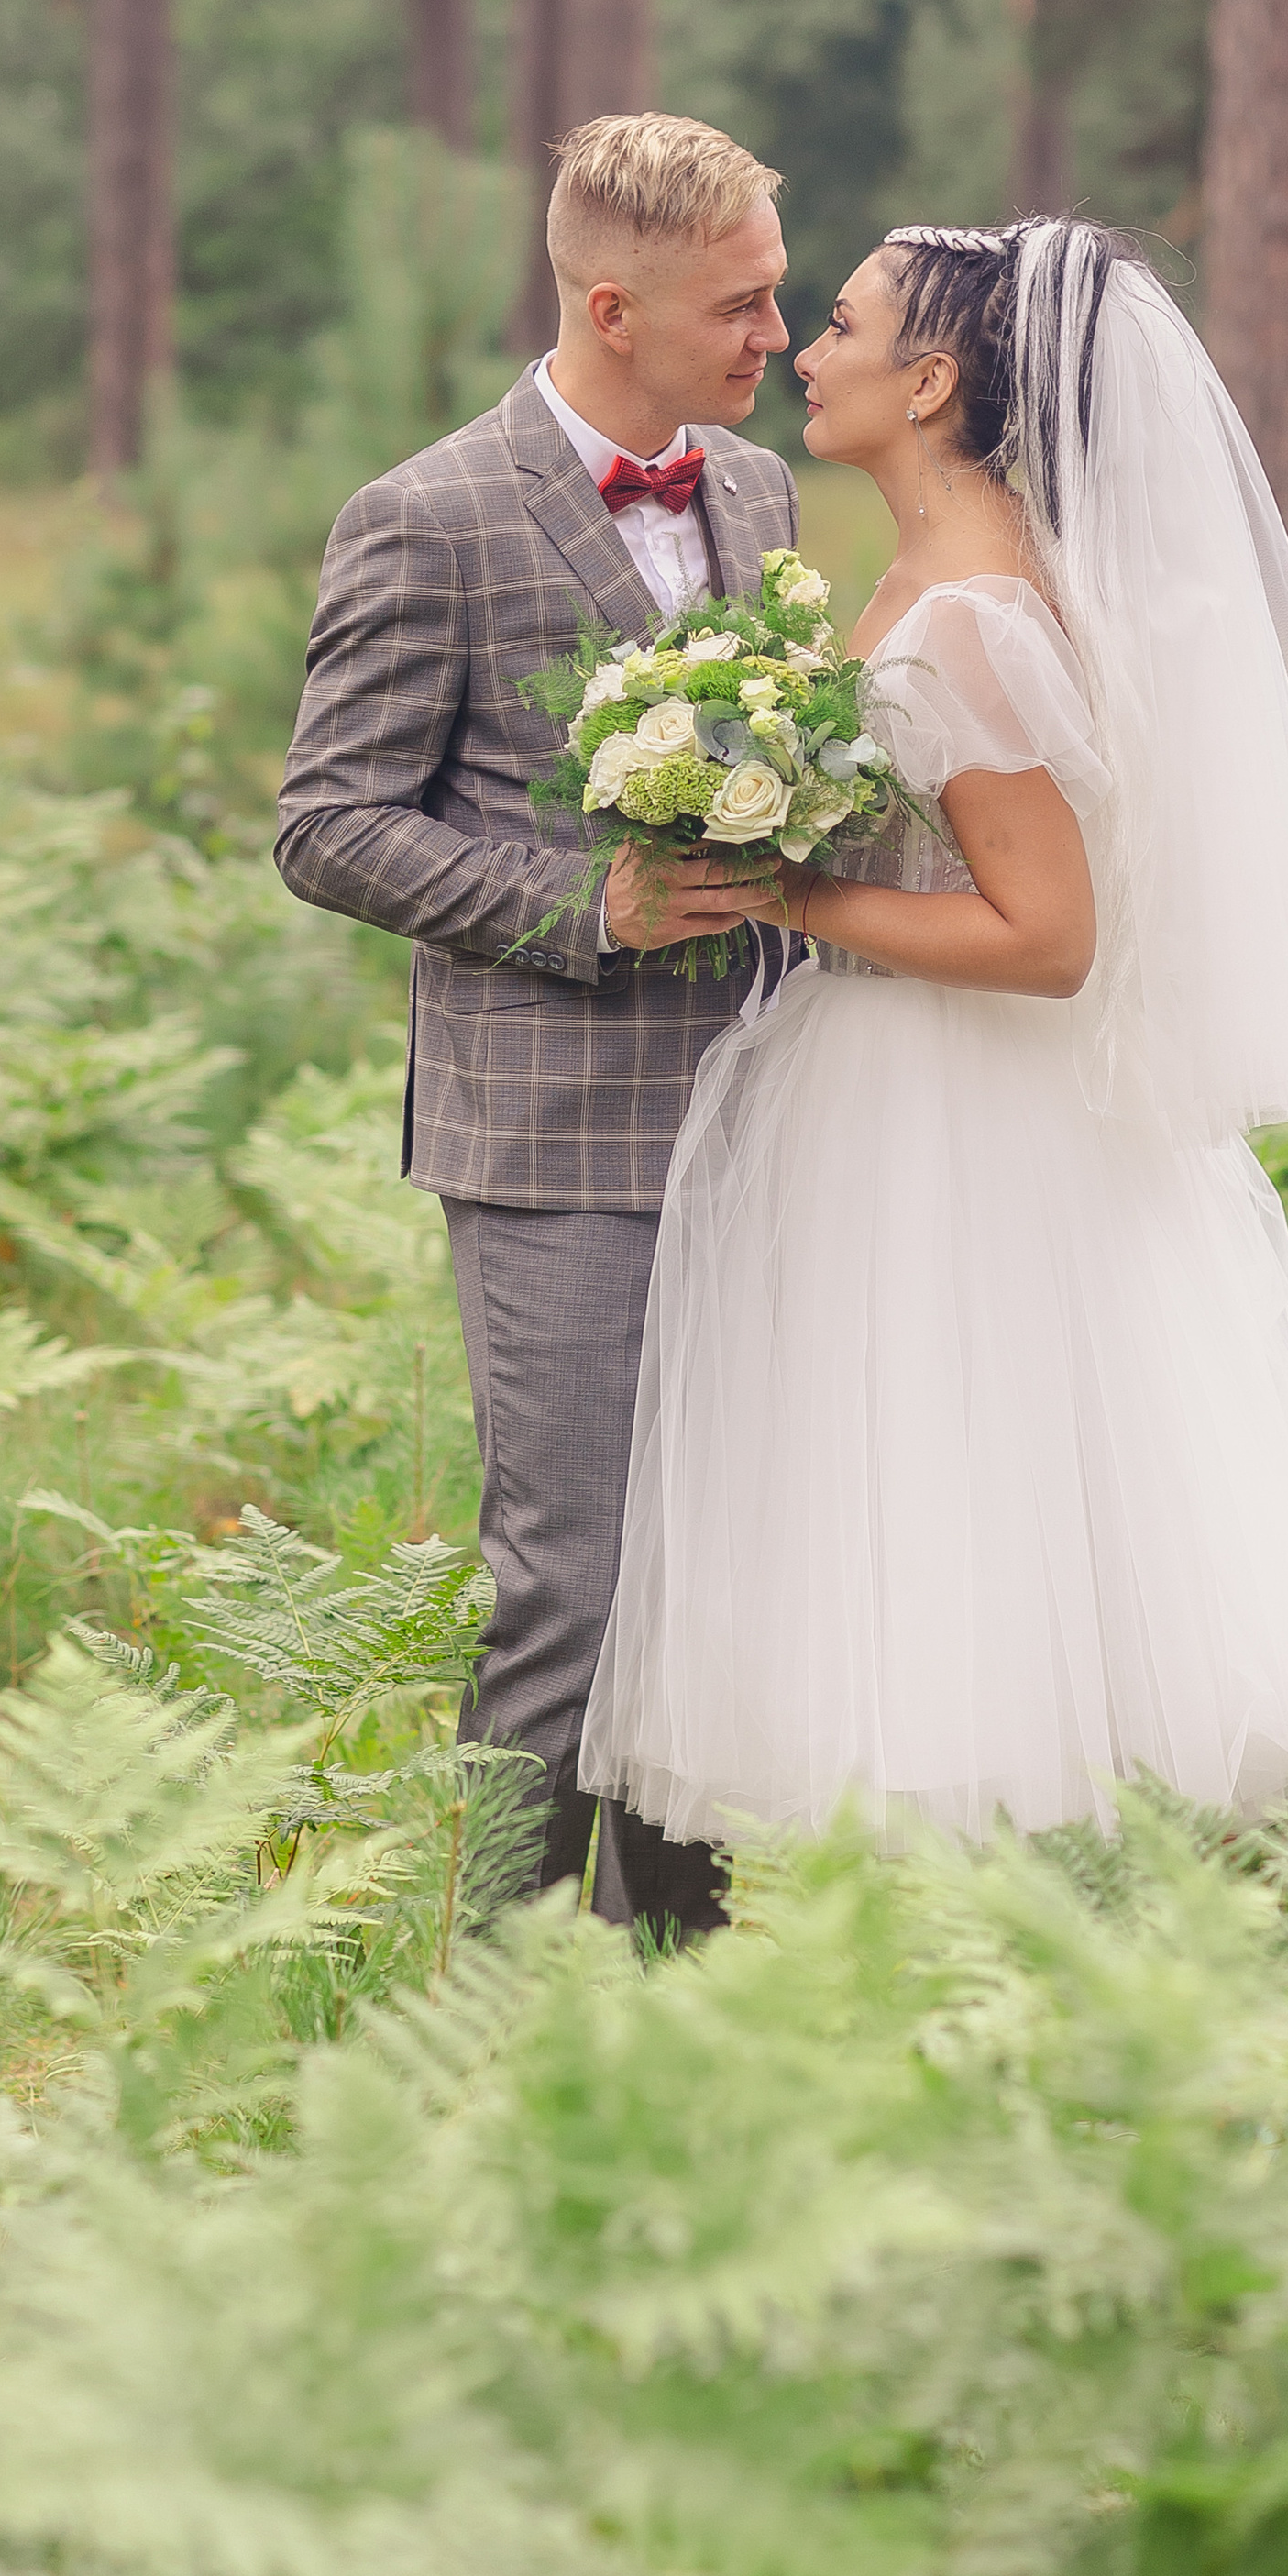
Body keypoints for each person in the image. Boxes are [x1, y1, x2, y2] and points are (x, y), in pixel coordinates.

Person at [580, 216, 1288, 1850]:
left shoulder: (970, 618)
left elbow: (1047, 939)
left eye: (836, 326)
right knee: (913, 1493)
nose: (802, 356)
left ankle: (974, 1919)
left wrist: (785, 898)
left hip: (950, 1109)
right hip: (891, 1080)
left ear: (935, 377)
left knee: (947, 1482)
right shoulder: (929, 576)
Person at [274, 112, 800, 1940]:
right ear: (609, 303)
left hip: (756, 1119)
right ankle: (480, 2003)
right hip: (549, 1141)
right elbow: (326, 822)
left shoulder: (754, 493)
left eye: (777, 300)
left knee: (708, 1583)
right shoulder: (421, 516)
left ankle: (675, 1981)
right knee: (572, 1589)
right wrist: (589, 908)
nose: (773, 341)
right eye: (739, 307)